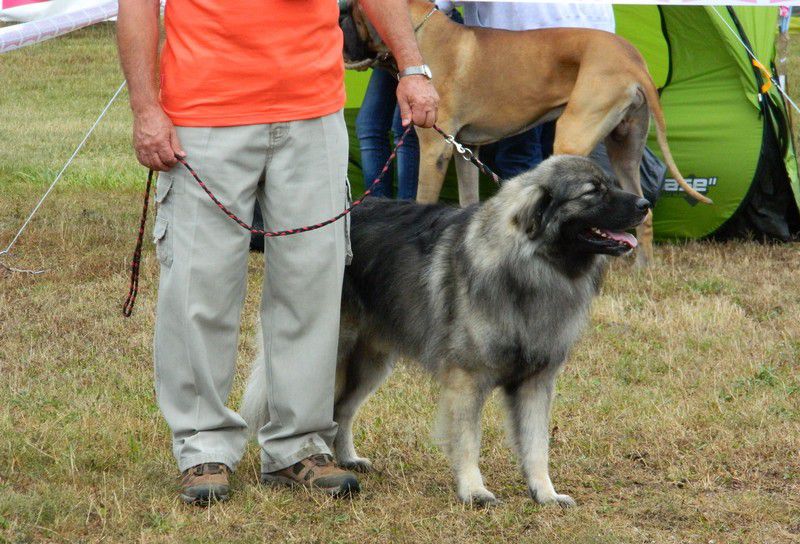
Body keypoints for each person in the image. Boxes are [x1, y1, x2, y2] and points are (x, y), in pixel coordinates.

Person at [117, 0, 438, 504]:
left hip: (313, 113)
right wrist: (144, 108)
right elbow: (135, 8)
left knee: (313, 284)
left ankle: (299, 446)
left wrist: (413, 68)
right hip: (203, 116)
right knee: (199, 288)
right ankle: (202, 447)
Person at [460, 2, 615, 179]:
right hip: (595, 46)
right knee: (562, 157)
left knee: (522, 155)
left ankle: (534, 204)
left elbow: (434, 8)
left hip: (526, 50)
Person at [355, 1, 460, 201]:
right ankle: (377, 213)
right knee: (369, 126)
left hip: (427, 25)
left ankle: (406, 217)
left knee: (406, 128)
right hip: (393, 33)